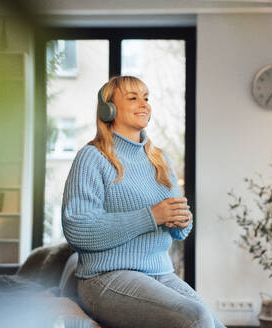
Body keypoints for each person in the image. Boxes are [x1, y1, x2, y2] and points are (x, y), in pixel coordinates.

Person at [61, 76, 224, 328]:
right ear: (108, 108)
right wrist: (152, 216)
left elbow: (180, 232)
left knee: (214, 323)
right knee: (195, 318)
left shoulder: (160, 159)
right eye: (133, 98)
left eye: (146, 98)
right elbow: (78, 230)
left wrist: (181, 220)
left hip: (161, 273)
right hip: (106, 277)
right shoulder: (92, 158)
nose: (144, 104)